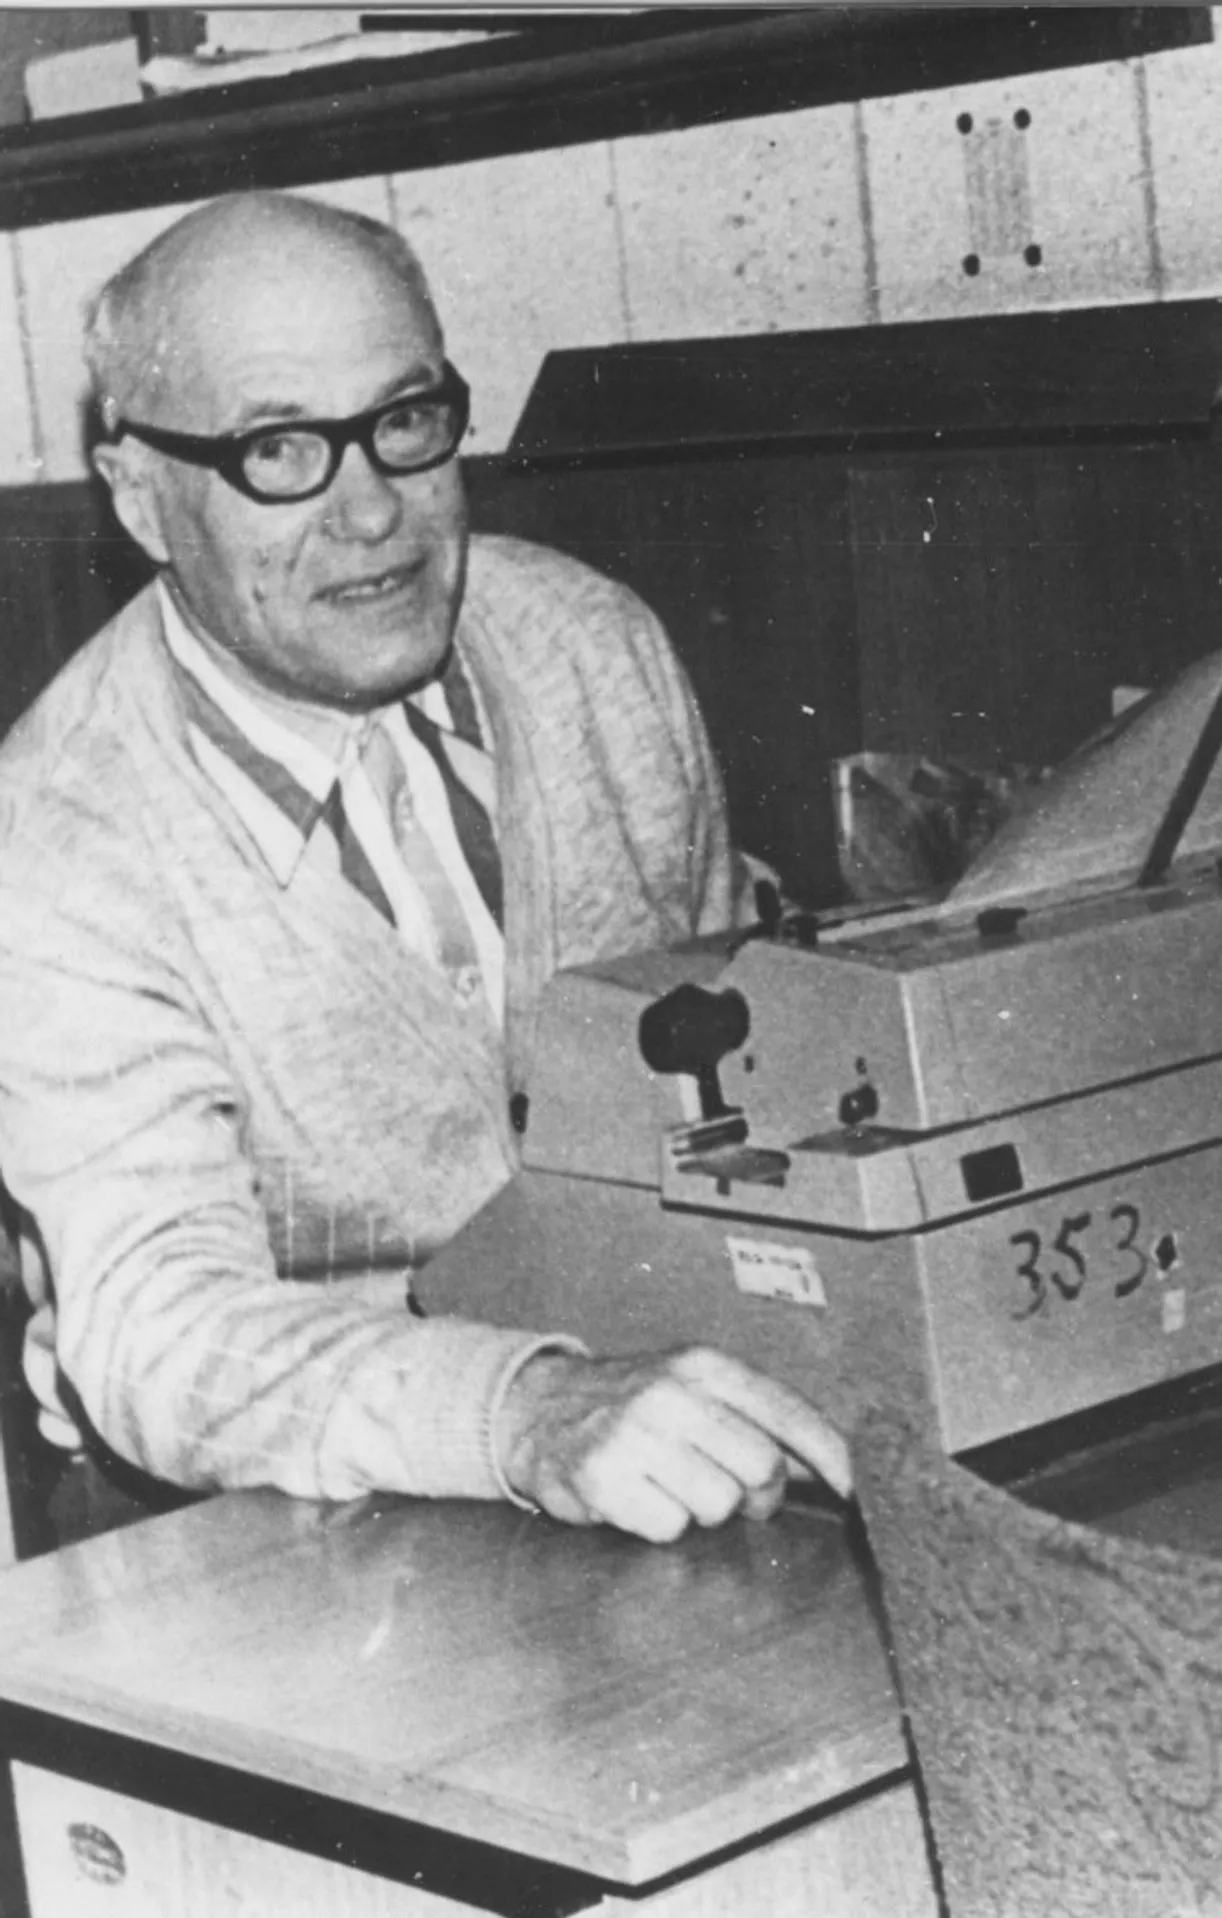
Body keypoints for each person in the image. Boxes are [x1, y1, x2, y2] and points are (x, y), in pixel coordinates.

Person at [0, 191, 850, 1546]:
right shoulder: (56, 836)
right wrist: (522, 1410)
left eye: (402, 421)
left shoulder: (590, 646)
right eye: (280, 449)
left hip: (678, 1444)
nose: (372, 511)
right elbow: (158, 1329)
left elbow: (729, 1081)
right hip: (277, 1532)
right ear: (143, 496)